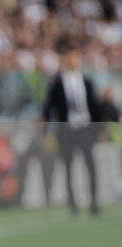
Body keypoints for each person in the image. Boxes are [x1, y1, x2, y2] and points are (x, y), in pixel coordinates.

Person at [43, 40, 102, 215]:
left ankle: (94, 203)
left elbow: (94, 107)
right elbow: (49, 109)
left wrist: (99, 130)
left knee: (90, 166)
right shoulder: (57, 83)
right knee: (68, 167)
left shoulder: (86, 81)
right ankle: (73, 204)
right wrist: (48, 132)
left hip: (85, 128)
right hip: (66, 130)